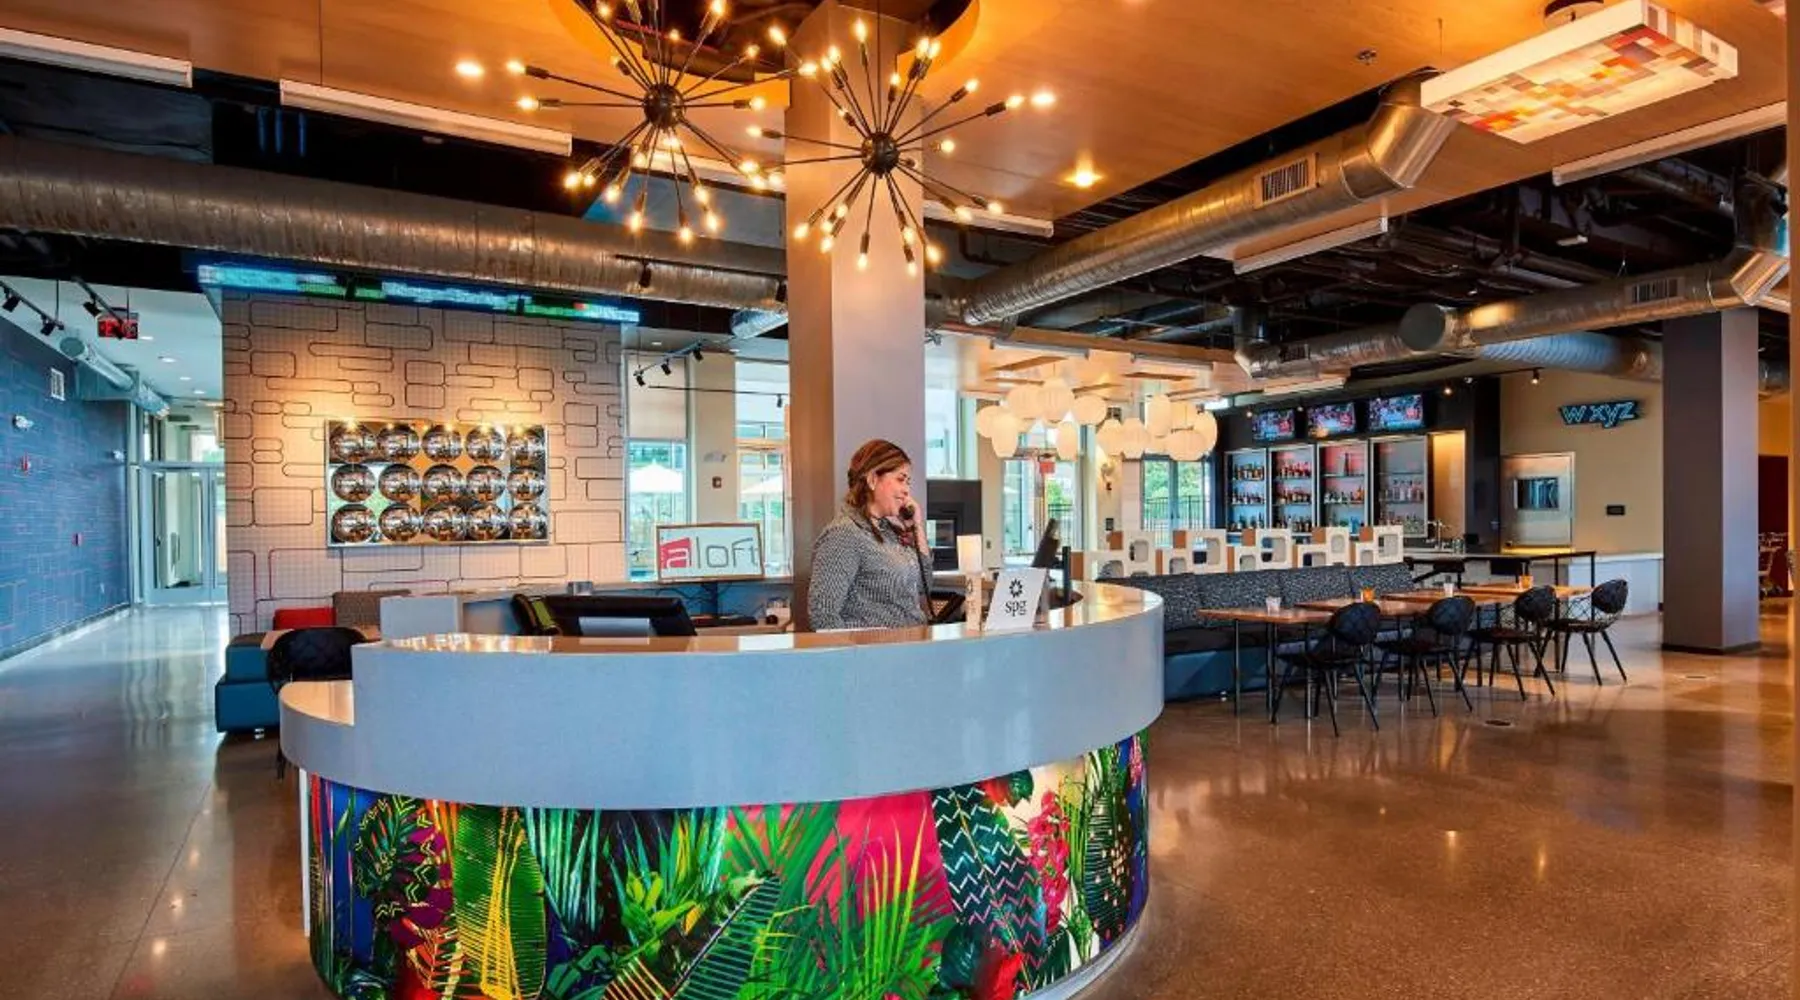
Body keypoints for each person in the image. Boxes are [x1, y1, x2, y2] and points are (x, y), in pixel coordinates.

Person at [807, 439, 933, 630]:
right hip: (876, 648)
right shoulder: (844, 534)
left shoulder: (889, 532)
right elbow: (823, 615)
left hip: (911, 643)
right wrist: (860, 649)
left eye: (908, 482)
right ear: (873, 479)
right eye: (900, 479)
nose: (906, 490)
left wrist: (917, 529)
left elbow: (924, 587)